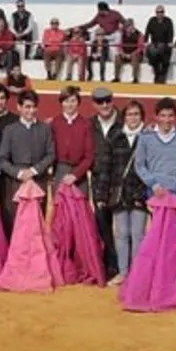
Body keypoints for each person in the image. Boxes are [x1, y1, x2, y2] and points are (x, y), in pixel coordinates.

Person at [94, 99, 148, 285]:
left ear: (142, 117)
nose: (132, 118)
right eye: (129, 114)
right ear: (124, 117)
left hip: (139, 192)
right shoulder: (115, 136)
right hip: (119, 191)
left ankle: (138, 273)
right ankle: (124, 272)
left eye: (136, 114)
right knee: (121, 234)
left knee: (138, 234)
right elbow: (105, 167)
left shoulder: (148, 137)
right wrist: (101, 194)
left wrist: (146, 191)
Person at [0, 90, 55, 227]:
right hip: (16, 182)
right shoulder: (10, 130)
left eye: (34, 106)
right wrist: (19, 173)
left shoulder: (45, 129)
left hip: (38, 180)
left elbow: (51, 155)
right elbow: (2, 159)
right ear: (19, 107)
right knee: (16, 222)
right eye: (27, 107)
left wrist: (34, 170)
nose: (31, 110)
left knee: (37, 222)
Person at [89, 87, 120, 279]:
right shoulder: (89, 124)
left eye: (107, 101)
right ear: (94, 104)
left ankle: (126, 265)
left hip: (120, 180)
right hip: (99, 179)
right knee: (102, 222)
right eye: (100, 102)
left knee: (124, 225)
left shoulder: (124, 121)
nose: (105, 105)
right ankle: (110, 264)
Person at [51, 86, 94, 194]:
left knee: (80, 208)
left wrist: (76, 174)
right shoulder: (54, 123)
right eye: (66, 101)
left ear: (78, 102)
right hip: (60, 170)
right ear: (61, 103)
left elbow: (89, 156)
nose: (69, 104)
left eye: (73, 101)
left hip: (80, 173)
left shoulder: (86, 124)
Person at [144, 5, 175, 83]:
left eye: (161, 12)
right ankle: (157, 75)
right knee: (153, 57)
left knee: (165, 59)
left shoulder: (168, 21)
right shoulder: (152, 20)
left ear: (164, 13)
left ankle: (162, 76)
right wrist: (145, 41)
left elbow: (171, 32)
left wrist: (170, 41)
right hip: (155, 43)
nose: (159, 14)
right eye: (158, 12)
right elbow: (147, 31)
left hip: (165, 43)